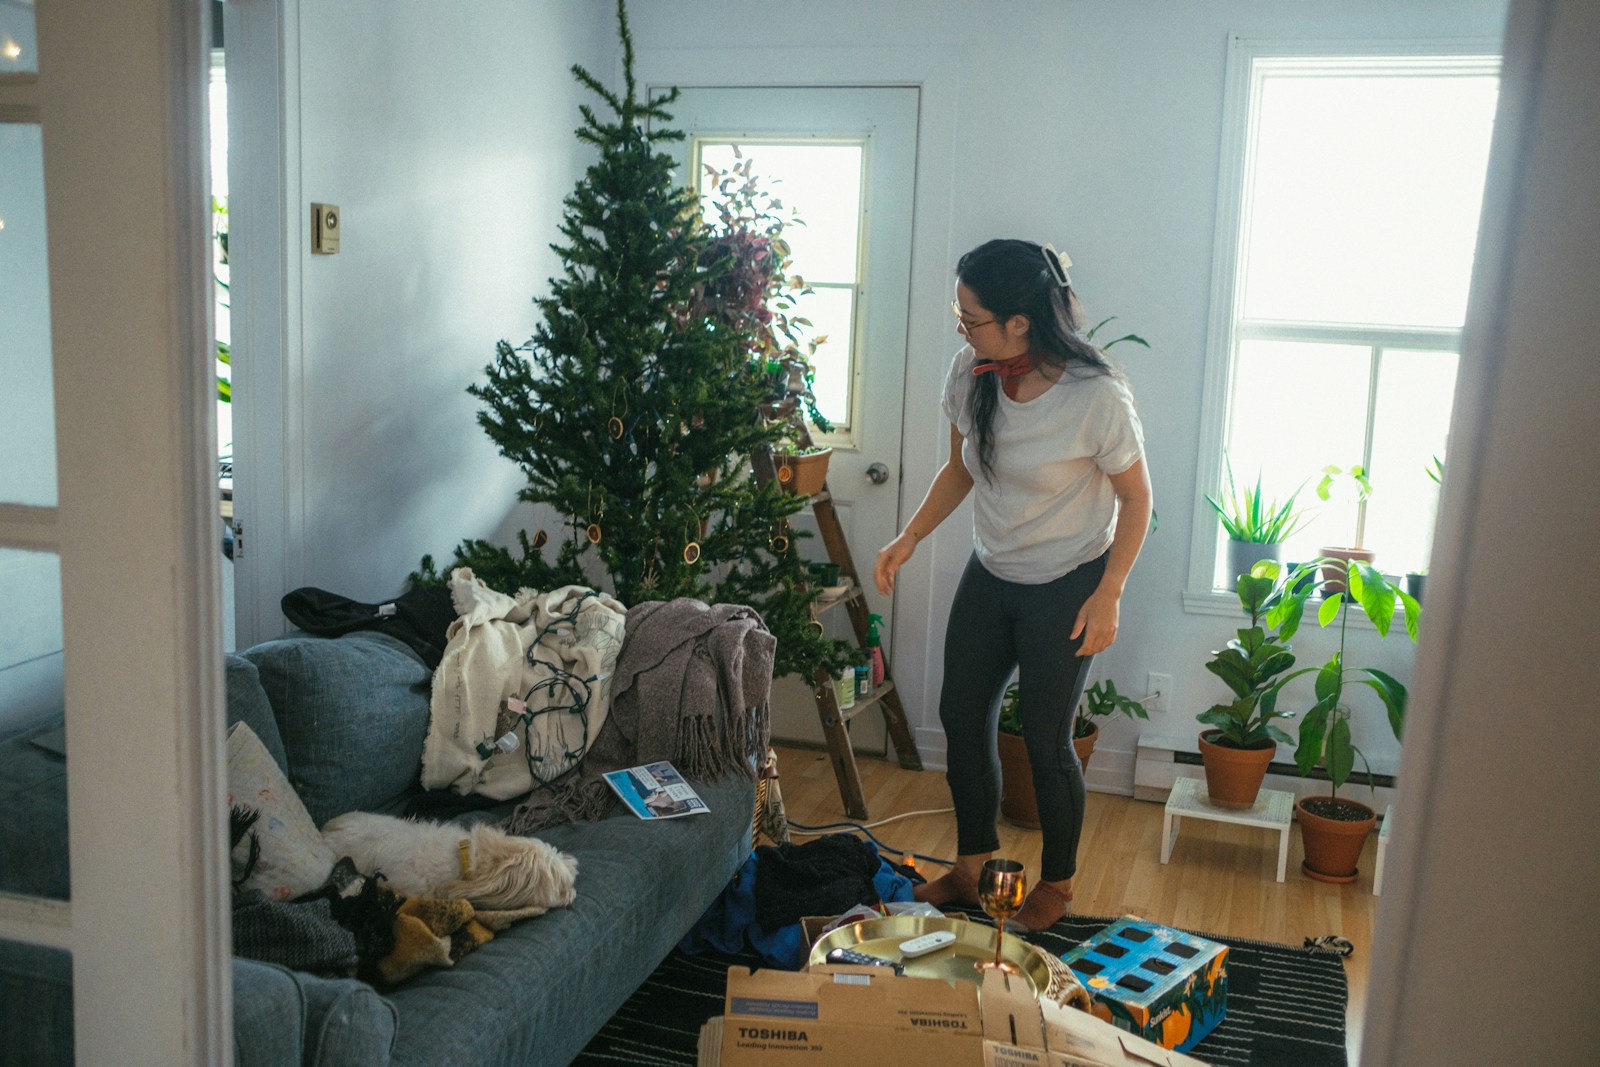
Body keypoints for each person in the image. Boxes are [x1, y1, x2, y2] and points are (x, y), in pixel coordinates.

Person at [874, 238, 1152, 932]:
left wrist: (1110, 589)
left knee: (1046, 737)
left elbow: (1138, 498)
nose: (961, 329)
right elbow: (962, 468)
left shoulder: (1096, 397)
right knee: (962, 714)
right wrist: (909, 536)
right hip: (993, 569)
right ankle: (972, 866)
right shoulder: (973, 372)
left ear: (1021, 321)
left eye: (971, 317)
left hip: (1068, 580)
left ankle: (1056, 883)